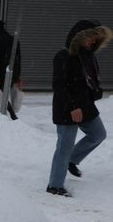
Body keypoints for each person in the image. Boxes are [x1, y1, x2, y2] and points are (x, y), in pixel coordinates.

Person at [46, 19, 113, 197]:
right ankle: (54, 185)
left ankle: (72, 160)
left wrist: (94, 93)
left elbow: (88, 80)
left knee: (98, 134)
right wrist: (73, 107)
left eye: (96, 38)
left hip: (85, 105)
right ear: (80, 36)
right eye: (91, 37)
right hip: (67, 107)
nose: (93, 41)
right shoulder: (63, 56)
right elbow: (59, 86)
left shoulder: (88, 55)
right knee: (64, 147)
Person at [0, 20, 22, 120]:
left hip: (1, 72)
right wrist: (18, 74)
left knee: (1, 93)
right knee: (5, 93)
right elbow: (18, 58)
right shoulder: (13, 39)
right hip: (12, 71)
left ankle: (11, 115)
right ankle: (7, 113)